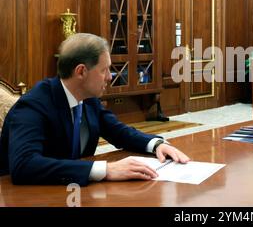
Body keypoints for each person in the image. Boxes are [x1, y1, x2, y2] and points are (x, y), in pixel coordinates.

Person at [0, 33, 190, 186]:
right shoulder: (33, 105)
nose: (110, 77)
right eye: (104, 70)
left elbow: (118, 132)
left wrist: (157, 144)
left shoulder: (88, 99)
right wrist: (105, 170)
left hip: (73, 191)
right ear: (81, 71)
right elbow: (24, 165)